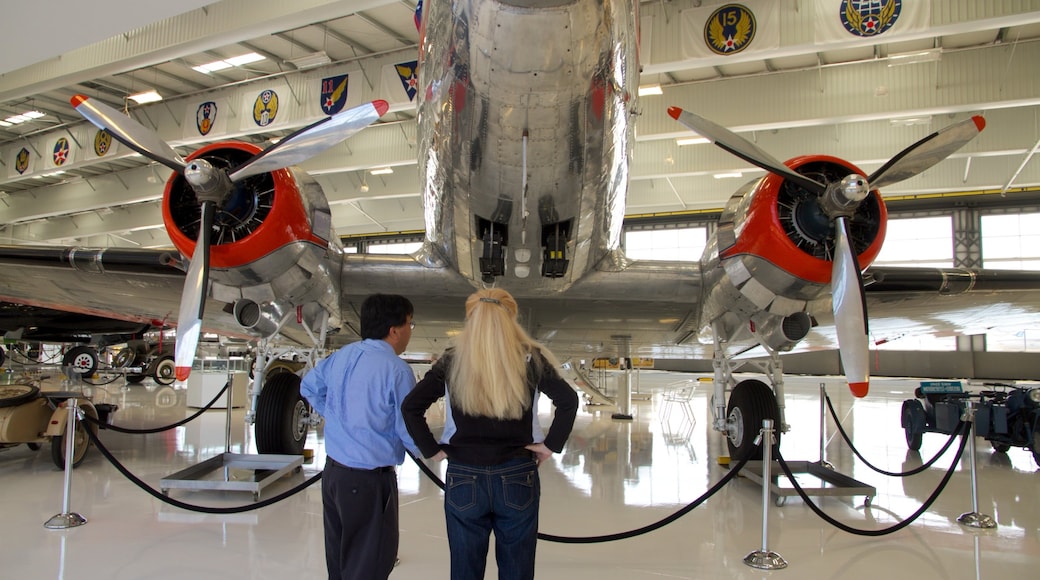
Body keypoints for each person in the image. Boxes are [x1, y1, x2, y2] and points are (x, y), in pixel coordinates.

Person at [401, 288, 579, 580]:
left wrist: (432, 450)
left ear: (471, 317)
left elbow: (411, 407)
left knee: (465, 567)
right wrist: (550, 446)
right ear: (512, 317)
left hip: (463, 474)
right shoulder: (531, 357)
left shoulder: (452, 359)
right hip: (517, 473)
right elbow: (568, 401)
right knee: (517, 567)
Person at [300, 293, 419, 580]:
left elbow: (309, 386)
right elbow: (408, 427)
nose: (409, 333)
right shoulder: (397, 370)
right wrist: (439, 452)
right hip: (369, 482)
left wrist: (340, 416)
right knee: (370, 563)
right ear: (394, 330)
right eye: (409, 325)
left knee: (340, 561)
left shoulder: (342, 356)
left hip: (334, 476)